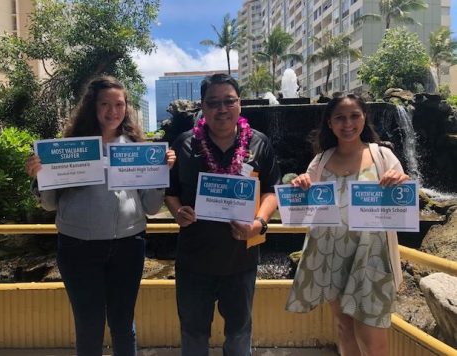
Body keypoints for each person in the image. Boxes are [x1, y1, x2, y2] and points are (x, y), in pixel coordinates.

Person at [25, 75, 176, 356]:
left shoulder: (139, 149)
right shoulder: (69, 148)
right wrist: (39, 175)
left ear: (126, 107)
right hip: (77, 246)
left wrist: (160, 173)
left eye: (119, 104)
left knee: (123, 323)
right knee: (89, 325)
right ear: (92, 106)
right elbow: (49, 206)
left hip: (129, 245)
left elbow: (152, 208)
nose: (113, 111)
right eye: (105, 104)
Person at [165, 73, 280, 356]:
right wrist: (178, 211)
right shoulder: (185, 143)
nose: (222, 109)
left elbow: (271, 191)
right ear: (202, 107)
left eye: (229, 101)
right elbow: (170, 191)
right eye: (213, 102)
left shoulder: (259, 143)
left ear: (240, 104)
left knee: (239, 335)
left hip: (240, 261)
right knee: (193, 335)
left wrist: (259, 223)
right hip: (194, 262)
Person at [285, 93, 409, 356]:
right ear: (330, 123)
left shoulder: (383, 157)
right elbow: (307, 206)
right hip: (332, 254)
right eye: (340, 117)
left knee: (374, 336)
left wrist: (400, 179)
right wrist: (299, 184)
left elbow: (404, 200)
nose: (348, 123)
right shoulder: (320, 161)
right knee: (344, 327)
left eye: (354, 116)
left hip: (372, 257)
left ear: (364, 118)